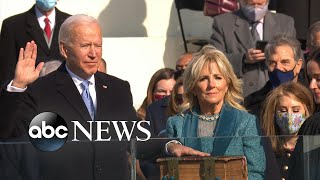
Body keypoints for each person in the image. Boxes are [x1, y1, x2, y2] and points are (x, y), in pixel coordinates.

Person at [0, 14, 144, 180]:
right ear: (64, 49)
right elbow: (8, 131)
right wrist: (18, 85)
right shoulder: (41, 90)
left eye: (98, 45)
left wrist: (169, 145)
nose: (93, 53)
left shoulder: (118, 88)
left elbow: (136, 137)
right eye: (85, 45)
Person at [165, 45, 266, 179]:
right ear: (193, 87)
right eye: (203, 79)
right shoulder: (177, 123)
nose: (211, 84)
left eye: (218, 77)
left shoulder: (245, 121)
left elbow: (256, 173)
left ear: (227, 84)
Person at [210, 0, 296, 97]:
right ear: (241, 2)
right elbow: (214, 60)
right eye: (251, 4)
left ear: (267, 2)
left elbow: (297, 58)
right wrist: (243, 59)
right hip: (240, 95)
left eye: (260, 4)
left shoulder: (285, 23)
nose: (256, 8)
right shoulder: (223, 23)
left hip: (277, 92)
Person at [0, 0, 70, 86]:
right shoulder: (12, 25)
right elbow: (6, 70)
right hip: (28, 93)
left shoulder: (71, 23)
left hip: (64, 90)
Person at [260, 82, 314, 180]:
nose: (289, 115)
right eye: (283, 110)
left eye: (296, 110)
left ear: (307, 111)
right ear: (274, 113)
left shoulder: (313, 148)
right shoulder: (264, 148)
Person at [245, 35, 304, 118]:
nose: (278, 68)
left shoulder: (313, 98)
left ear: (298, 65)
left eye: (285, 62)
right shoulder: (251, 105)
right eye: (272, 63)